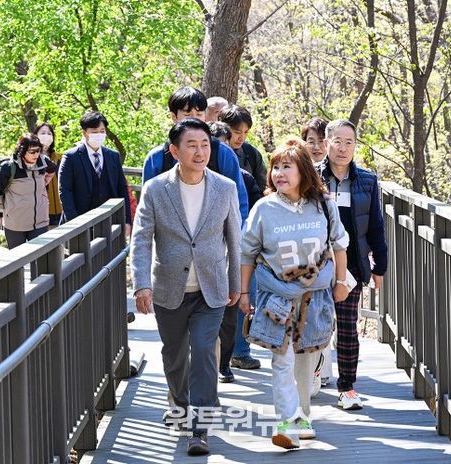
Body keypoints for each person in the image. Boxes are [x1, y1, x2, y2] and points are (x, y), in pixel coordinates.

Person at [131, 118, 241, 456]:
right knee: (175, 356)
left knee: (205, 352)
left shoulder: (224, 187)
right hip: (169, 288)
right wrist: (141, 285)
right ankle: (179, 406)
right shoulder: (156, 189)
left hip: (212, 288)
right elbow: (141, 239)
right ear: (175, 151)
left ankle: (199, 429)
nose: (200, 151)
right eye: (191, 145)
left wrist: (237, 284)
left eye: (205, 144)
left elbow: (234, 239)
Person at [239, 138, 349, 448]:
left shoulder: (323, 205)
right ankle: (287, 422)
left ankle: (303, 416)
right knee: (282, 359)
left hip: (315, 294)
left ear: (303, 171)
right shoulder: (264, 208)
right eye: (275, 167)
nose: (279, 173)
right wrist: (244, 292)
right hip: (276, 295)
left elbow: (339, 245)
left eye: (287, 167)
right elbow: (247, 253)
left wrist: (341, 282)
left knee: (306, 359)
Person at [316, 119, 388, 410]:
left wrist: (379, 267)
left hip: (353, 266)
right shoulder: (311, 176)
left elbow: (376, 227)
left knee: (347, 328)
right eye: (338, 141)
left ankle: (347, 387)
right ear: (326, 143)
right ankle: (313, 374)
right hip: (316, 264)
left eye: (349, 142)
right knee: (316, 324)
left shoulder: (367, 181)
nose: (343, 148)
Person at [142, 86, 248, 222]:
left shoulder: (223, 153)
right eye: (187, 115)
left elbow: (239, 202)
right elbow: (147, 208)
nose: (194, 120)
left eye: (199, 114)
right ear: (174, 117)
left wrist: (236, 232)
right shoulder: (157, 158)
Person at [217, 105, 268, 372]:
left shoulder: (251, 155)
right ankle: (220, 353)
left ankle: (241, 349)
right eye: (236, 131)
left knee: (245, 291)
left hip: (246, 231)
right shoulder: (213, 151)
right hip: (215, 235)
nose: (240, 137)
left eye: (246, 132)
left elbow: (262, 190)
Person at [58, 111, 132, 236]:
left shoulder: (113, 156)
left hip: (110, 220)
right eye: (94, 132)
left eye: (102, 131)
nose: (99, 135)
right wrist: (74, 224)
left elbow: (122, 189)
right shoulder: (71, 157)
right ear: (84, 133)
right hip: (80, 222)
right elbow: (65, 191)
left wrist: (127, 220)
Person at [302, 116, 332, 388]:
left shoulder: (335, 172)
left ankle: (323, 371)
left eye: (322, 141)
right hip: (302, 259)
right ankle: (312, 374)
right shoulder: (294, 172)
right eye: (310, 141)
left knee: (326, 315)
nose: (316, 147)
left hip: (331, 256)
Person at [0, 133, 56, 249]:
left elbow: (53, 170)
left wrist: (43, 183)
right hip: (15, 224)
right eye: (32, 151)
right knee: (18, 259)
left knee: (41, 257)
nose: (36, 154)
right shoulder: (9, 167)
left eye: (38, 150)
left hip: (40, 222)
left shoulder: (43, 162)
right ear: (22, 151)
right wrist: (5, 208)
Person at [218, 105, 268, 192]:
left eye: (246, 132)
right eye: (237, 132)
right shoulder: (211, 152)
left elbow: (264, 187)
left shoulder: (251, 153)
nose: (242, 138)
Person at [33, 123, 62, 227]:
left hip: (62, 212)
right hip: (40, 213)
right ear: (35, 136)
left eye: (49, 133)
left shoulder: (61, 157)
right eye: (43, 133)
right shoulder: (31, 158)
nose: (46, 136)